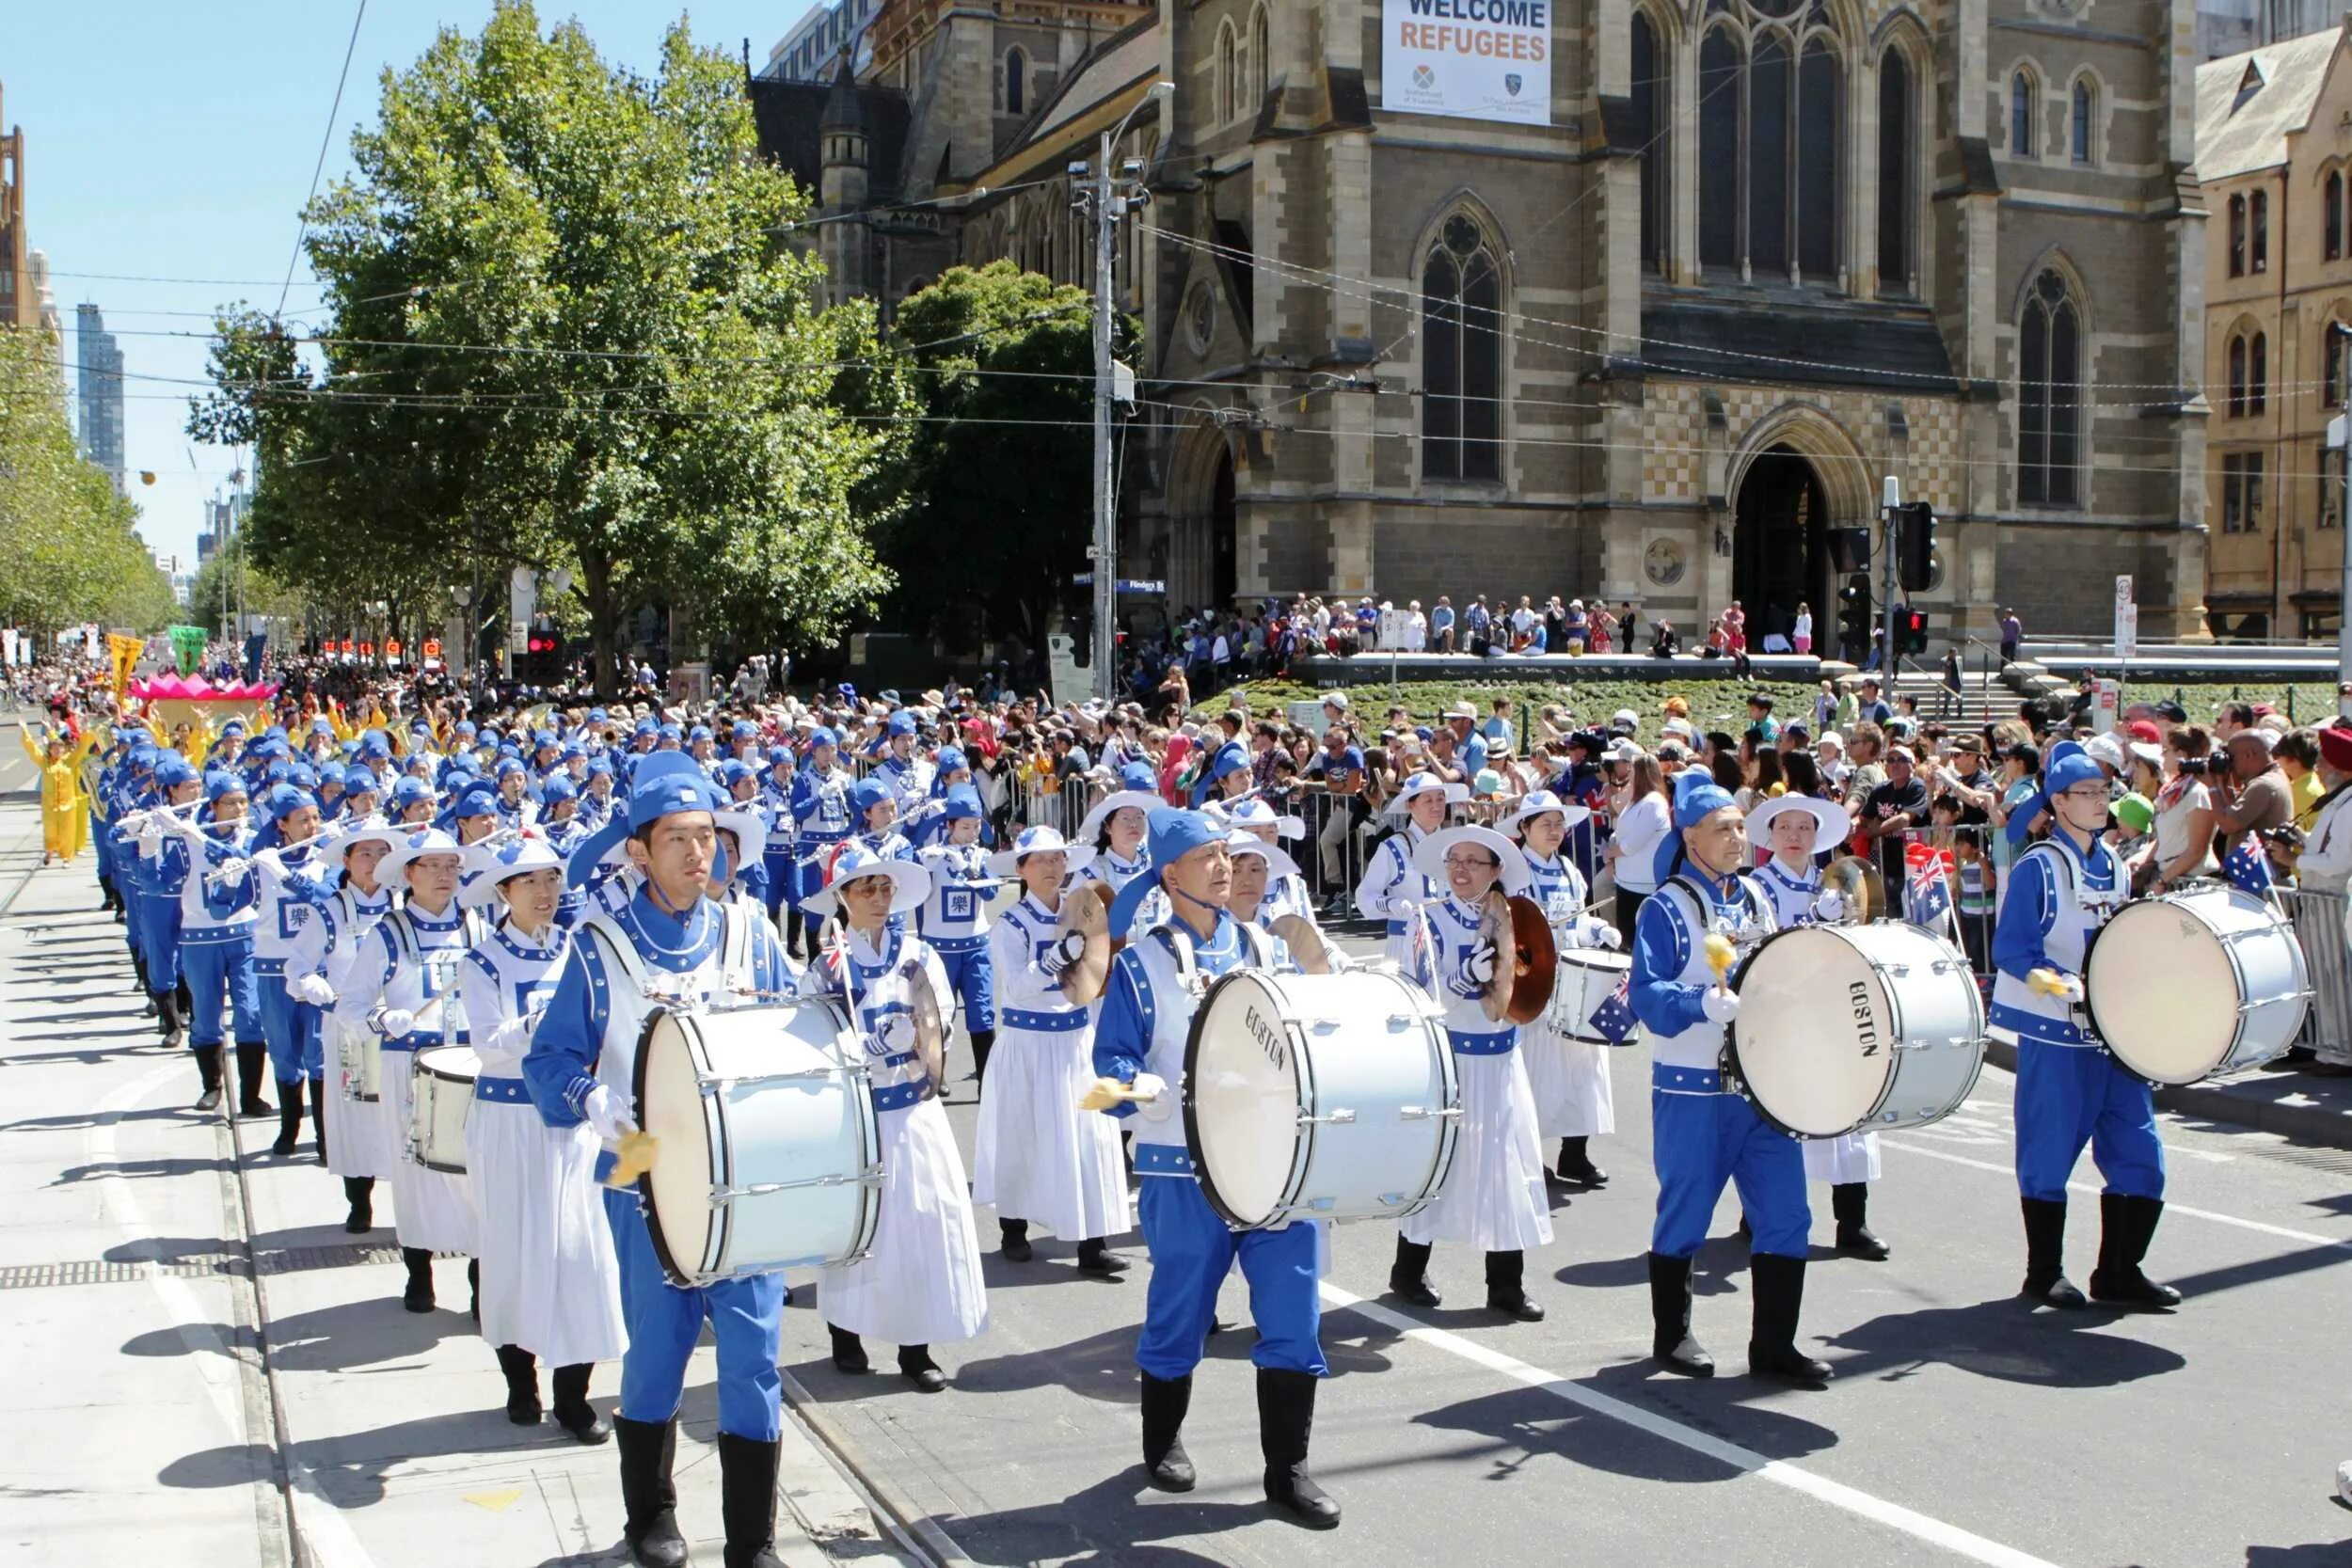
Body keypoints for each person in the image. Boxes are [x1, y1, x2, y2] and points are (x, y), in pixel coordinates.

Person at [524, 752, 801, 1568]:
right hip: (637, 1161)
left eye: (707, 835)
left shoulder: (752, 930)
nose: (696, 852)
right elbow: (549, 1062)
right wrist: (591, 1099)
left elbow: (796, 1036)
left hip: (741, 1170)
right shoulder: (598, 945)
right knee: (655, 1350)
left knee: (754, 1357)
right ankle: (652, 1514)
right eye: (676, 838)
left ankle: (752, 1542)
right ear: (639, 851)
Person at [1092, 807, 1338, 1527]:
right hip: (1182, 1166)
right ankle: (1161, 1438)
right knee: (1179, 1313)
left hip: (1272, 1166)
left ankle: (1286, 1470)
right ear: (1171, 876)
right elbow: (1103, 1078)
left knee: (1295, 1312)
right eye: (1208, 857)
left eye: (1229, 854)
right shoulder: (1140, 964)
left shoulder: (1265, 949)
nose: (1226, 867)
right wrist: (1148, 1093)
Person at [1629, 770, 1830, 1385]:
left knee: (1787, 1213)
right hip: (1693, 1086)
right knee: (1686, 1209)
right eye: (1724, 828)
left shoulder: (1755, 898)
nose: (1739, 837)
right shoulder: (1665, 906)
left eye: (1742, 826)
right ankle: (1672, 1334)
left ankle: (1774, 1344)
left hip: (1761, 1085)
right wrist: (1699, 1003)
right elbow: (1647, 993)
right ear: (1691, 837)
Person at [1991, 740, 2178, 1311]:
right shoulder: (2038, 867)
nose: (2101, 802)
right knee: (2048, 1152)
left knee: (2139, 1152)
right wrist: (2059, 984)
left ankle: (2120, 1270)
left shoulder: (2116, 863)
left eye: (2105, 792)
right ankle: (2043, 1271)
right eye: (2089, 793)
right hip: (2056, 1035)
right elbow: (2012, 948)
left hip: (2113, 1036)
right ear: (2059, 801)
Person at [800, 843, 990, 1389]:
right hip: (858, 1120)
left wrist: (924, 1037)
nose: (880, 899)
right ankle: (845, 1330)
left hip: (914, 1111)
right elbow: (810, 1037)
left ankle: (915, 1345)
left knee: (923, 1221)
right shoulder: (827, 966)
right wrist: (857, 1046)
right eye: (867, 889)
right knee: (859, 1225)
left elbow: (941, 1017)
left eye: (885, 889)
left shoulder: (919, 954)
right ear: (842, 898)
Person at [457, 832, 618, 1444]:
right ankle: (519, 1379)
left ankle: (574, 1393)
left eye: (552, 878)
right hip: (509, 1123)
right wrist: (539, 1026)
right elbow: (486, 1042)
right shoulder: (482, 962)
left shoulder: (578, 951)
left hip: (571, 1120)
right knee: (515, 1249)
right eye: (530, 881)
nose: (546, 891)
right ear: (504, 892)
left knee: (580, 1253)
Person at [1386, 822, 1555, 1320]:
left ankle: (1506, 1285)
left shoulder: (1517, 917)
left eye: (1472, 862)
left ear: (1496, 870)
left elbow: (1532, 975)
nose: (1460, 870)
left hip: (1502, 1057)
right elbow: (1418, 996)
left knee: (1508, 1165)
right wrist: (1463, 978)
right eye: (1453, 861)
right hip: (1451, 1060)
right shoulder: (1428, 919)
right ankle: (1408, 1270)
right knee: (1438, 1164)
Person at [335, 826, 484, 1315]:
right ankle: (419, 1272)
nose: (445, 876)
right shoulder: (388, 932)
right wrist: (383, 1019)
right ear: (408, 874)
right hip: (410, 1065)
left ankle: (482, 1280)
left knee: (480, 1175)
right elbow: (351, 1006)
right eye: (433, 866)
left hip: (473, 1063)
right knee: (413, 1171)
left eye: (452, 866)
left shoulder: (480, 926)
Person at [977, 824, 1131, 1271]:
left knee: (1090, 1137)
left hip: (1075, 1038)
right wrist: (1056, 959)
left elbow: (1101, 966)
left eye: (1058, 858)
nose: (1052, 867)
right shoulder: (1010, 924)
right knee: (1022, 1133)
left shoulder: (1083, 911)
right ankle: (1014, 1227)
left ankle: (1091, 1243)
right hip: (1028, 1040)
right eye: (1040, 860)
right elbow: (1020, 989)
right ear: (1021, 869)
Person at [1747, 795, 1891, 1259]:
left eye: (1804, 828)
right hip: (1781, 1015)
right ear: (1770, 835)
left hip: (1835, 1010)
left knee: (1850, 1114)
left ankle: (1853, 1222)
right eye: (1785, 827)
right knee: (1778, 1119)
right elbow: (1757, 948)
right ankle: (1760, 1217)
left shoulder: (1839, 884)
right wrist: (1813, 924)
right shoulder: (1756, 886)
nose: (1794, 836)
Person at [290, 818, 403, 1231]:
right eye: (365, 854)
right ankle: (360, 1201)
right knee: (356, 1118)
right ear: (347, 861)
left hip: (399, 1027)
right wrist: (310, 982)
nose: (373, 862)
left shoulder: (407, 905)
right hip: (349, 1028)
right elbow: (298, 965)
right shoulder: (330, 910)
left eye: (381, 853)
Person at [1508, 790, 1621, 1187]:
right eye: (1546, 824)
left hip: (1573, 980)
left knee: (1582, 1068)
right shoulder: (1514, 872)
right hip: (1535, 981)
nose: (1555, 831)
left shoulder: (1571, 869)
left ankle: (1575, 1153)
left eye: (1559, 824)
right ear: (1524, 828)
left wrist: (1598, 929)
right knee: (1537, 1071)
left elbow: (1577, 919)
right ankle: (1530, 1155)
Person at [1353, 771, 1460, 969]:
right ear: (1410, 806)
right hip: (1404, 945)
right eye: (1428, 800)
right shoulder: (1393, 848)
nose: (1436, 806)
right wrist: (1391, 904)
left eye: (1440, 799)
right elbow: (1364, 897)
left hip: (1448, 943)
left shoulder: (1454, 846)